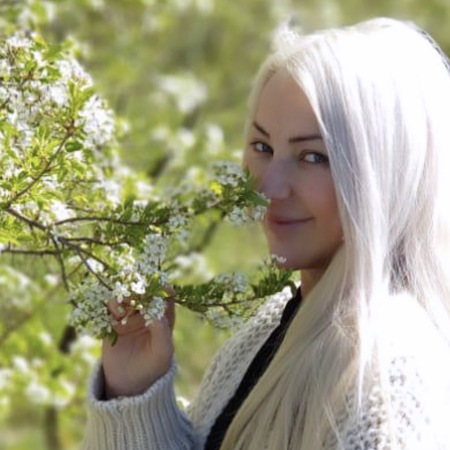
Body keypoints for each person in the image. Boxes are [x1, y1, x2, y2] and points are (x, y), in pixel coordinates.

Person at [83, 17, 450, 450]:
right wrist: (134, 390)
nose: (267, 188)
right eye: (262, 148)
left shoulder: (388, 391)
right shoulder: (276, 322)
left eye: (313, 157)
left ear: (384, 175)